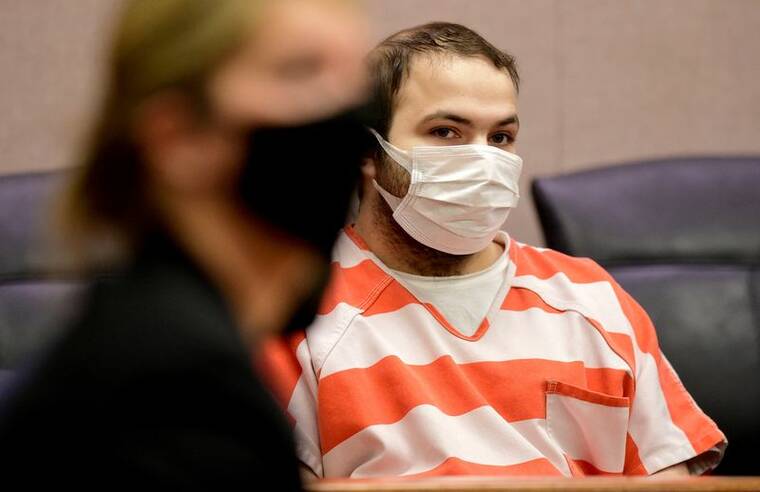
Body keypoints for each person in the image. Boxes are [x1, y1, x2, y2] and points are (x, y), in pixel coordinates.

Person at [260, 22, 727, 479]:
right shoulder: (297, 310)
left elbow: (669, 478)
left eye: (500, 137)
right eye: (446, 132)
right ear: (366, 152)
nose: (484, 161)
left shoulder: (590, 298)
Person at [0, 0, 370, 487]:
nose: (346, 114)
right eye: (301, 72)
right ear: (176, 137)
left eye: (356, 83)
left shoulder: (162, 334)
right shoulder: (179, 398)